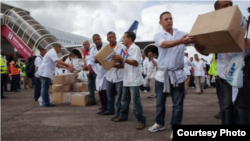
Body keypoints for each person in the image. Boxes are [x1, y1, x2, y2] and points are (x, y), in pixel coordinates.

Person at [194, 0, 250, 125]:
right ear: (217, 10)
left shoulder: (243, 23)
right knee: (225, 108)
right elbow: (207, 52)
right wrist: (200, 49)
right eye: (225, 5)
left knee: (242, 109)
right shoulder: (213, 27)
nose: (230, 7)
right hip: (225, 77)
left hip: (242, 75)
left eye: (231, 4)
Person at [147, 11, 194, 139]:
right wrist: (181, 41)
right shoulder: (158, 35)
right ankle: (159, 123)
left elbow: (196, 41)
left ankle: (176, 127)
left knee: (178, 104)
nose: (169, 21)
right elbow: (164, 44)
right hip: (162, 76)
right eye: (166, 19)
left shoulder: (182, 34)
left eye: (170, 18)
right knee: (160, 102)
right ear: (160, 22)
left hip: (178, 76)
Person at [112, 31, 146, 130]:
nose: (123, 40)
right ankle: (123, 116)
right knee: (124, 100)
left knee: (135, 101)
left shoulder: (135, 48)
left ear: (130, 39)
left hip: (134, 80)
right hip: (126, 79)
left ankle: (141, 120)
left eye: (124, 38)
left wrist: (121, 58)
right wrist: (113, 64)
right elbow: (124, 64)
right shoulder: (126, 49)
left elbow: (135, 63)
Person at [104, 31, 126, 118]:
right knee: (109, 93)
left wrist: (118, 61)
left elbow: (126, 60)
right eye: (110, 37)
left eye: (113, 37)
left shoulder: (122, 47)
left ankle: (119, 112)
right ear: (107, 39)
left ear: (116, 38)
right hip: (109, 75)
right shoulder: (105, 49)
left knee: (120, 95)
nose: (112, 39)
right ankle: (110, 109)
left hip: (120, 75)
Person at [87, 34, 108, 114]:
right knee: (99, 90)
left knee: (105, 91)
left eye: (98, 39)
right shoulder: (93, 50)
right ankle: (103, 107)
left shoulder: (106, 47)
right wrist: (89, 64)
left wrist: (99, 61)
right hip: (98, 72)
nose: (97, 41)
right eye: (95, 40)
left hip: (106, 72)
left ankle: (106, 108)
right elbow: (91, 59)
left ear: (101, 39)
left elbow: (109, 58)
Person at [86, 39, 98, 106]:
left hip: (96, 71)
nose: (84, 46)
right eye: (83, 44)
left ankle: (104, 102)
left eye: (86, 44)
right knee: (90, 86)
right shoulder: (86, 52)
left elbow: (92, 60)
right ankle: (93, 100)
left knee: (98, 87)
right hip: (91, 71)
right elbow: (88, 61)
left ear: (89, 44)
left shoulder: (92, 50)